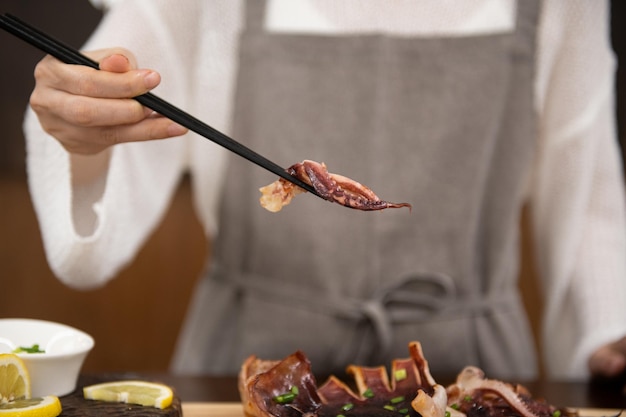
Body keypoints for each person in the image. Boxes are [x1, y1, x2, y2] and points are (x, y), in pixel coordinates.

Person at [23, 0, 626, 381]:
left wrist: (612, 327)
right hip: (244, 360)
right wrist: (81, 127)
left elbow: (591, 188)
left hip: (470, 369)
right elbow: (100, 78)